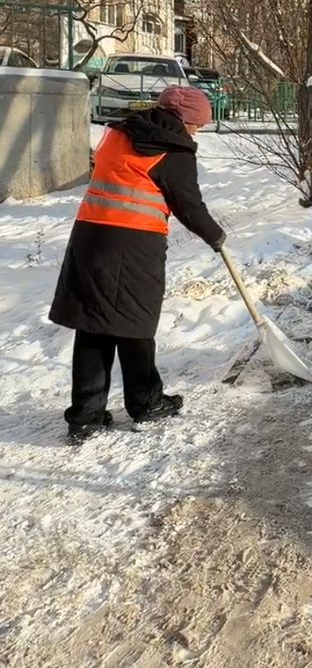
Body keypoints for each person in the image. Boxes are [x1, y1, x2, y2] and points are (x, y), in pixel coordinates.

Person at [50, 85, 225, 439]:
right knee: (135, 324)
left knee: (93, 324)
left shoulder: (117, 133)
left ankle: (85, 415)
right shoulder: (172, 150)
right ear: (184, 119)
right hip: (134, 244)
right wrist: (216, 236)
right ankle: (146, 403)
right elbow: (189, 205)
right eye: (198, 124)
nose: (197, 132)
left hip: (89, 237)